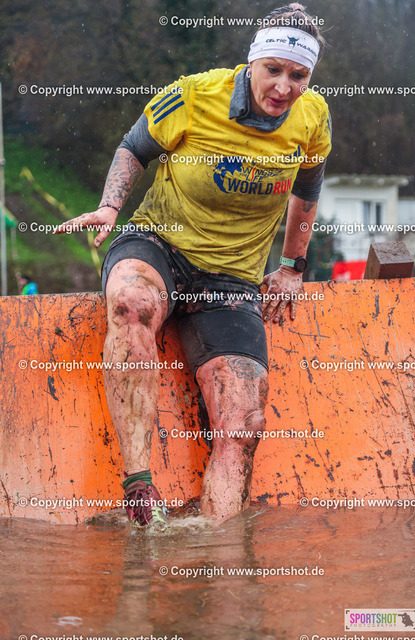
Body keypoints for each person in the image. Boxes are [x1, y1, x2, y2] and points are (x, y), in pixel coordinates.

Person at [57, 3, 331, 529]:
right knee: (130, 303)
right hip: (159, 244)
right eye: (273, 69)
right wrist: (110, 207)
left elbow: (308, 189)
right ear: (252, 62)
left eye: (298, 75)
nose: (283, 87)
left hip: (231, 278)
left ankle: (216, 549)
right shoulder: (194, 95)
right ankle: (138, 486)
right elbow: (133, 148)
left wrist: (293, 267)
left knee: (244, 423)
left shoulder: (313, 116)